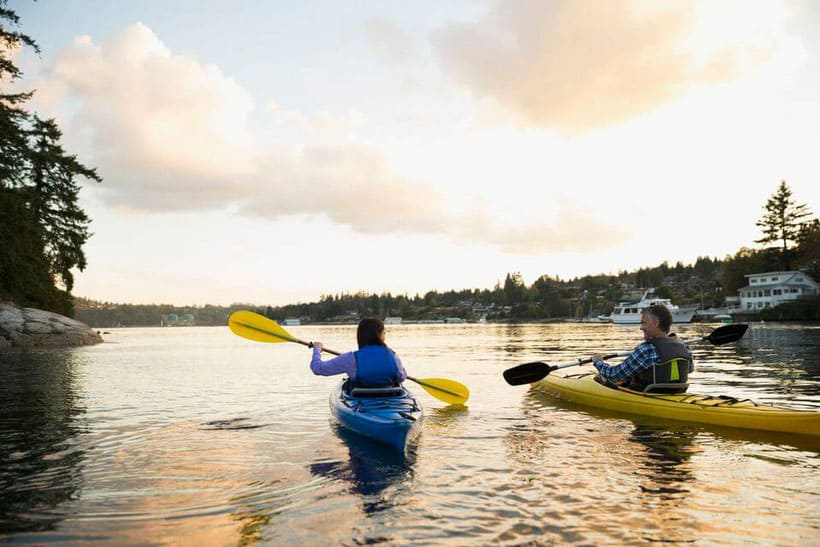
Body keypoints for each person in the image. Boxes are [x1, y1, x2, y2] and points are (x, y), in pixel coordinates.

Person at [591, 304, 693, 393]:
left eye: (643, 323)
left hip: (649, 393)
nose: (641, 327)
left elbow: (614, 375)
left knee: (600, 378)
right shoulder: (684, 346)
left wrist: (598, 362)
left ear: (656, 323)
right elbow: (689, 370)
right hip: (677, 392)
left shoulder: (646, 349)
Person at [310, 317, 408, 388]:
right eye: (384, 332)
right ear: (379, 335)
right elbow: (402, 377)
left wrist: (317, 349)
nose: (385, 335)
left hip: (361, 397)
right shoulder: (392, 355)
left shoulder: (351, 358)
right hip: (390, 396)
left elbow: (317, 369)